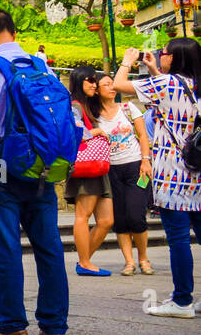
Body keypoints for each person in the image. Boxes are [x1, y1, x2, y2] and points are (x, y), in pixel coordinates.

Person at [0, 9, 69, 335]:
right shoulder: (42, 66)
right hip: (43, 167)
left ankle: (12, 326)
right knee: (49, 245)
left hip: (2, 166)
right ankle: (55, 326)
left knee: (7, 244)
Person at [114, 39, 201, 317]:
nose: (159, 55)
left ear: (174, 58)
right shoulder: (194, 85)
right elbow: (173, 103)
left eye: (163, 53)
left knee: (178, 239)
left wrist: (128, 61)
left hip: (174, 175)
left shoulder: (167, 84)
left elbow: (118, 85)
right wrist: (154, 70)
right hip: (198, 174)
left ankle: (183, 300)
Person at [91, 72, 153, 276]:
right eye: (106, 84)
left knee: (136, 216)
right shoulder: (94, 115)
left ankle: (143, 258)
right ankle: (129, 261)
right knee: (120, 218)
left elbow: (143, 135)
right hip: (110, 170)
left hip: (135, 165)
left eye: (112, 83)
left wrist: (146, 160)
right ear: (97, 90)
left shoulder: (127, 107)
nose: (111, 87)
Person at [65, 66, 115, 276]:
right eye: (90, 81)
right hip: (86, 165)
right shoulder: (75, 105)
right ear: (79, 82)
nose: (94, 85)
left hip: (98, 165)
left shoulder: (87, 105)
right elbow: (72, 130)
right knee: (83, 215)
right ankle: (85, 262)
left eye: (95, 81)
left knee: (106, 221)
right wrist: (93, 131)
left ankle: (83, 260)